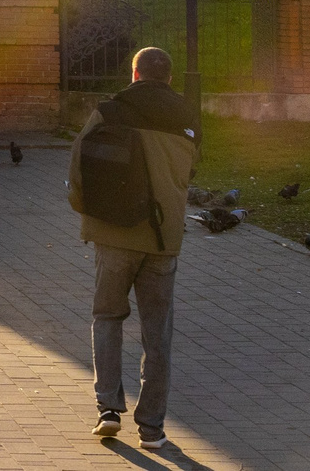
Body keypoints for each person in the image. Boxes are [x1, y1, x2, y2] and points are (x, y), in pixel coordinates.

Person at [66, 45, 199, 450]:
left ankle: (108, 409)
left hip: (113, 234)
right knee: (158, 334)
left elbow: (78, 164)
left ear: (135, 74)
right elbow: (192, 170)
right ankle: (152, 429)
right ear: (170, 79)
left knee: (107, 316)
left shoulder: (110, 109)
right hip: (163, 239)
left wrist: (87, 212)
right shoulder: (188, 116)